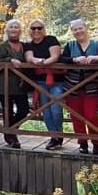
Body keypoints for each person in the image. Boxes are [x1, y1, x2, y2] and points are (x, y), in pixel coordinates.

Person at [61, 19, 98, 155]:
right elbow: (62, 59)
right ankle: (82, 143)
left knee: (91, 116)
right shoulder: (70, 45)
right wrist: (75, 60)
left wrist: (97, 57)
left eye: (80, 28)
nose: (78, 31)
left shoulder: (97, 44)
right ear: (72, 32)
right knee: (76, 117)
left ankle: (96, 143)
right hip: (72, 87)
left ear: (86, 28)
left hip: (92, 88)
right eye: (75, 29)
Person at [22, 18, 65, 149]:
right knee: (46, 111)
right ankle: (54, 137)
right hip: (40, 81)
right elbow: (29, 57)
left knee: (56, 109)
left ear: (43, 29)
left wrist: (44, 62)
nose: (36, 30)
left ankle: (59, 134)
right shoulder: (28, 45)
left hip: (56, 80)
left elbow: (55, 56)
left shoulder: (51, 39)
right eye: (33, 28)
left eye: (39, 28)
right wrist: (37, 60)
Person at [0, 19, 30, 148]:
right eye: (11, 27)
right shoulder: (2, 46)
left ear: (20, 30)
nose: (14, 29)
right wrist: (10, 60)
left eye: (16, 27)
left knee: (24, 110)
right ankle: (12, 138)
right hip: (5, 84)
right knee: (7, 112)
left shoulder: (25, 46)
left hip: (20, 84)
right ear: (7, 30)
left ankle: (8, 130)